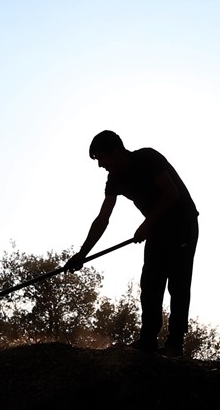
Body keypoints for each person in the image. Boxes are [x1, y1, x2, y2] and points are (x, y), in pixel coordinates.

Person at [64, 130, 200, 356]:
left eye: (101, 158)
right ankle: (148, 340)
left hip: (182, 224)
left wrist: (147, 224)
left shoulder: (147, 159)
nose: (100, 165)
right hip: (156, 228)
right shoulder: (115, 179)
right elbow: (102, 218)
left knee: (177, 283)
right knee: (150, 283)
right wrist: (82, 254)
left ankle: (175, 344)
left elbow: (171, 193)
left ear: (115, 151)